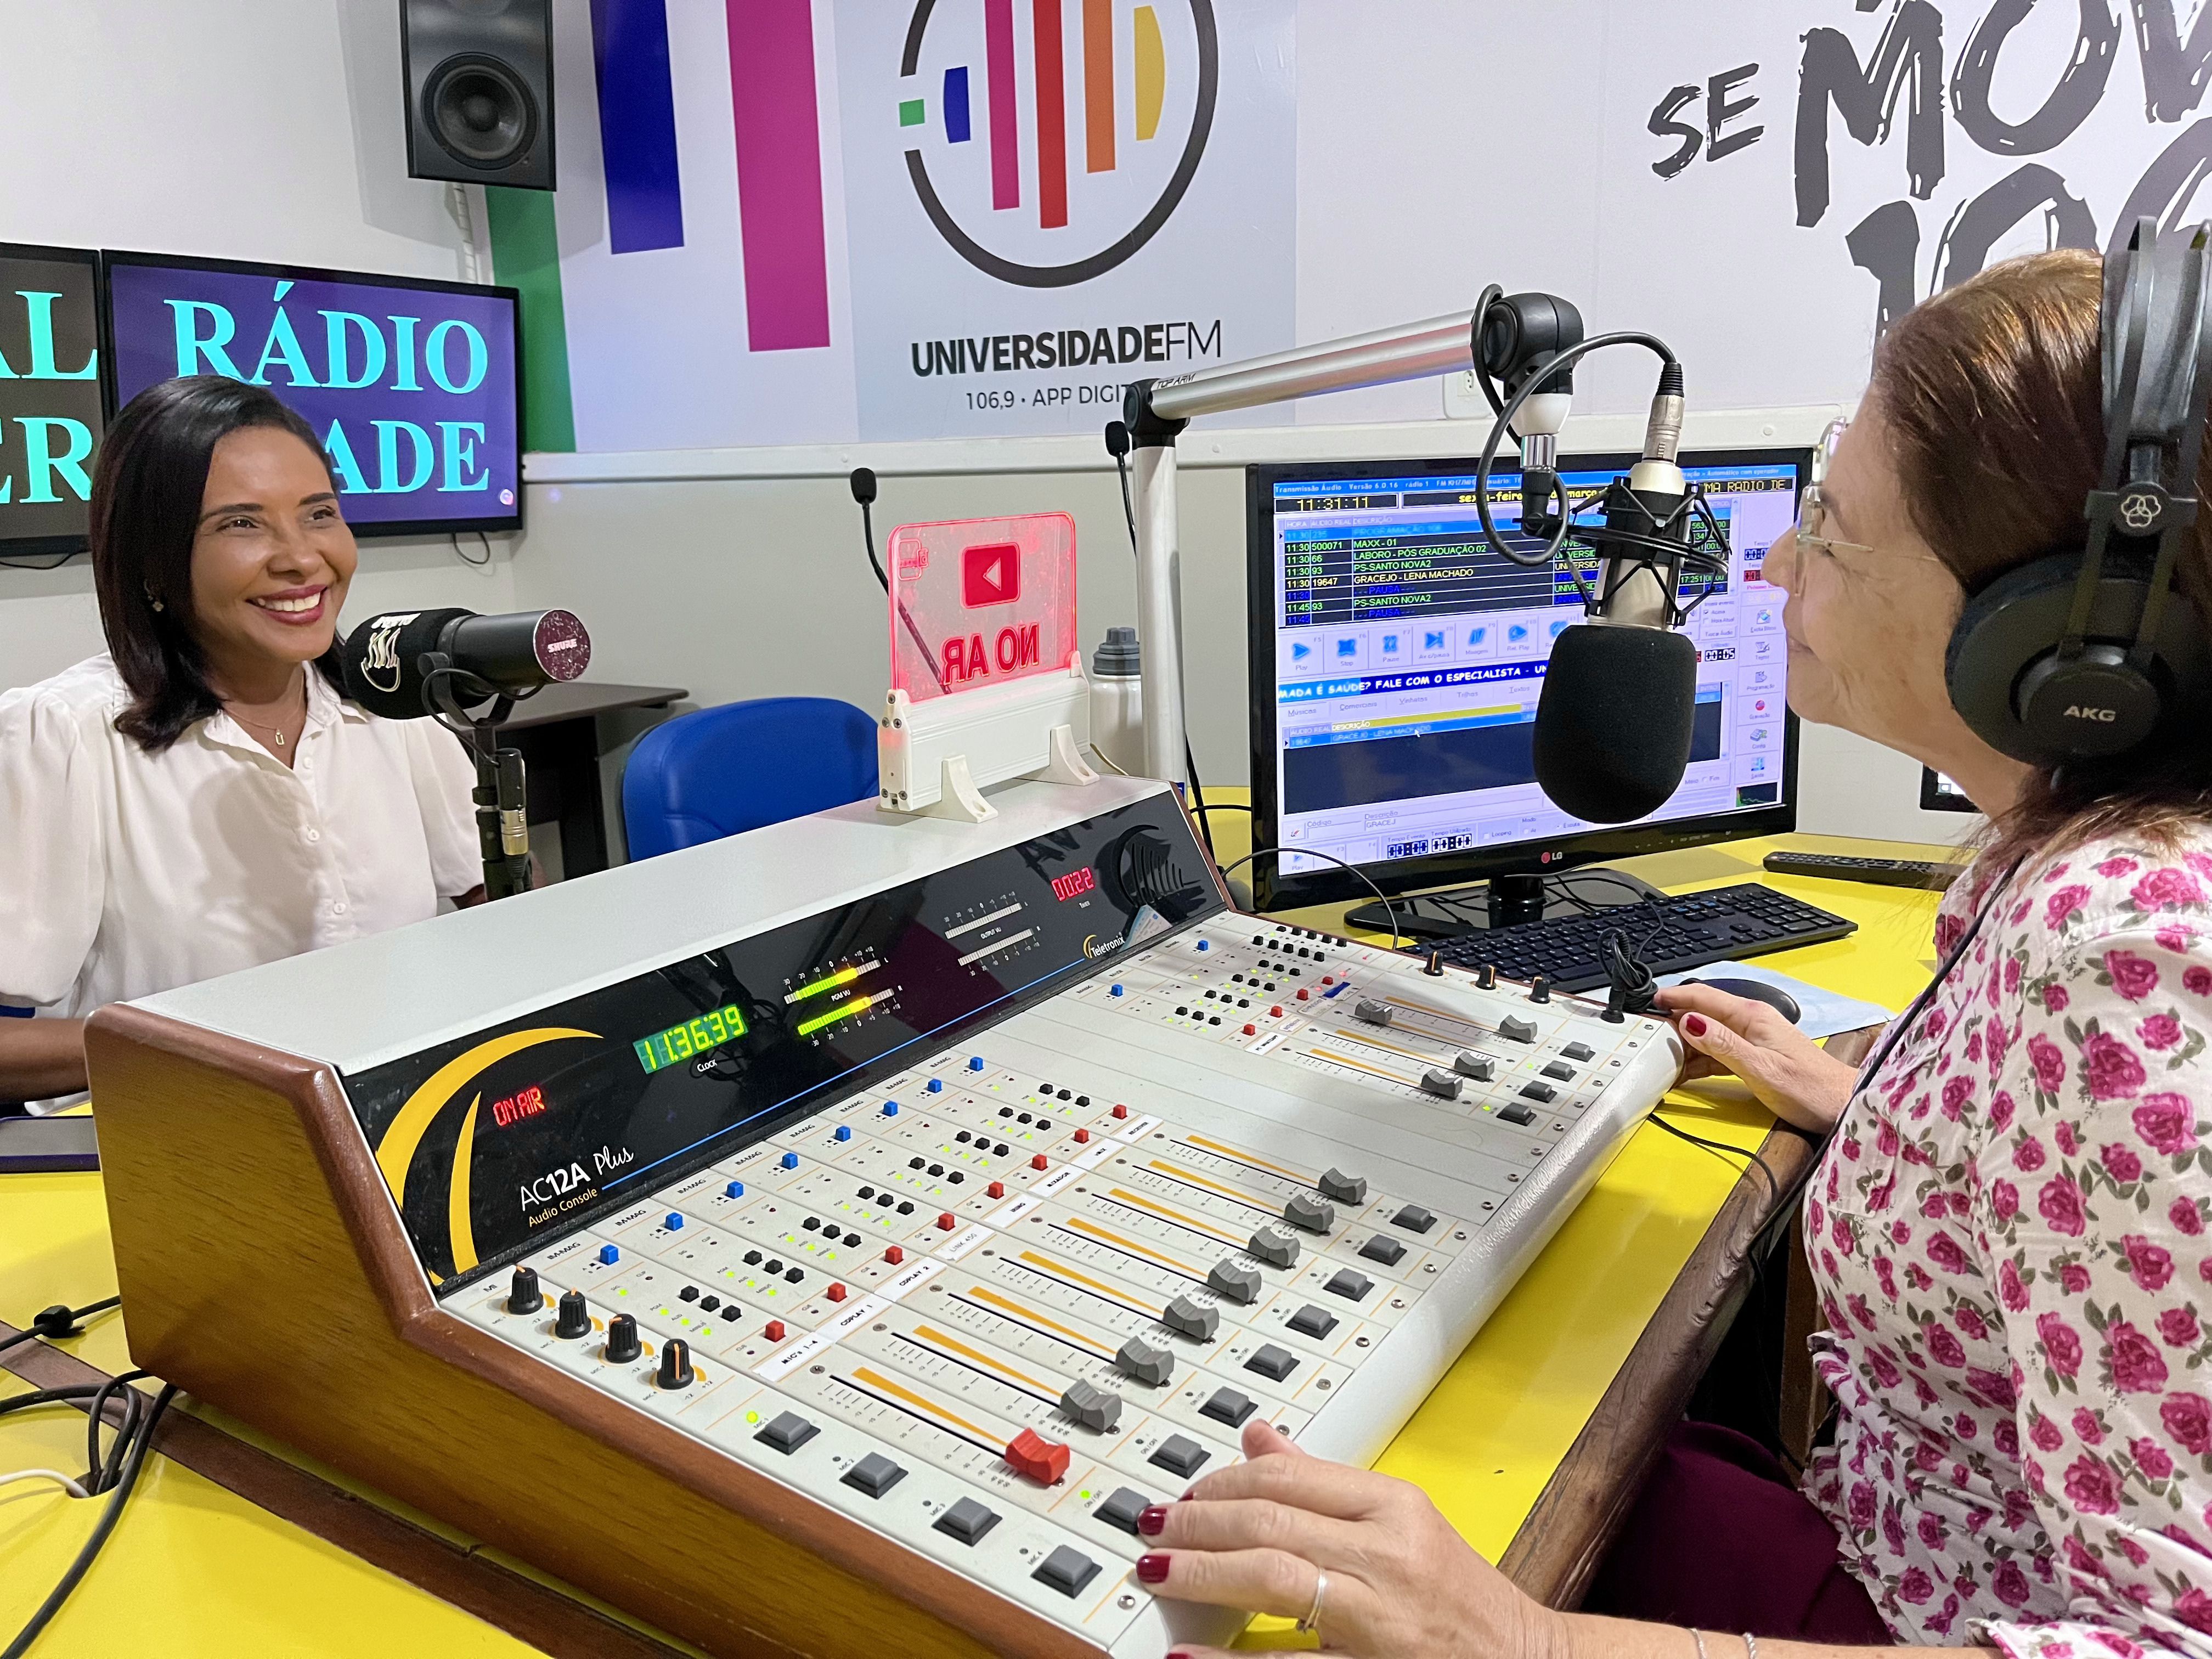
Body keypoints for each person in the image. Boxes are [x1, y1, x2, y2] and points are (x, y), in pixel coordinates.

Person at [1136, 249, 2212, 1659]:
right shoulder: (2055, 850)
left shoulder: (2124, 952)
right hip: (1891, 1526)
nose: (1770, 563)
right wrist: (1889, 1112)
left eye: (1828, 529)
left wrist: (1517, 1639)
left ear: (2049, 639)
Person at [0, 376, 483, 1107]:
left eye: (319, 514)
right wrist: (233, 1042)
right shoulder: (65, 736)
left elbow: (498, 904)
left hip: (401, 1121)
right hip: (177, 1155)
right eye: (241, 525)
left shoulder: (389, 705)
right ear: (153, 561)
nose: (301, 558)